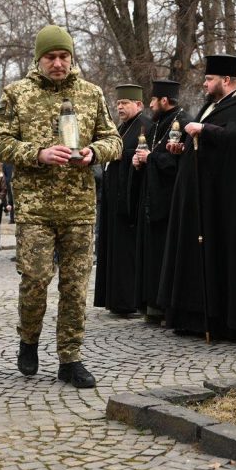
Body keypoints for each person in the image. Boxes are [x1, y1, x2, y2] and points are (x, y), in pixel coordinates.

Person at [0, 24, 122, 388]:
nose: (59, 63)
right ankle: (29, 339)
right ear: (39, 59)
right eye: (51, 57)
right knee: (35, 278)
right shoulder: (17, 94)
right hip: (35, 207)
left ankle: (70, 357)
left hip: (79, 206)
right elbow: (0, 143)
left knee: (76, 285)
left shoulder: (90, 94)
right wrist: (38, 153)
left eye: (64, 56)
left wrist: (95, 152)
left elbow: (114, 140)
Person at [158, 54, 236, 341]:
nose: (205, 84)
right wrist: (183, 147)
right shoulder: (210, 106)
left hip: (226, 202)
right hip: (197, 198)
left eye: (209, 79)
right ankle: (190, 317)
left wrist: (205, 129)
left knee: (223, 259)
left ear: (226, 80)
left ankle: (224, 323)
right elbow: (201, 141)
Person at [130, 79, 191, 325]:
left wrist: (151, 158)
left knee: (163, 256)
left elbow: (178, 163)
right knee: (150, 255)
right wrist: (140, 163)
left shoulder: (182, 123)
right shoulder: (156, 126)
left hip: (168, 203)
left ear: (164, 101)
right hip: (151, 199)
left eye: (153, 100)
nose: (150, 105)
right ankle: (151, 304)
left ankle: (165, 307)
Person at [93, 84, 150, 316]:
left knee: (127, 252)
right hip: (113, 197)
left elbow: (138, 156)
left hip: (130, 200)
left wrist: (119, 154)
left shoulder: (144, 126)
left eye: (125, 103)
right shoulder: (121, 127)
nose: (120, 108)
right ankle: (114, 300)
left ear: (138, 104)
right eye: (118, 104)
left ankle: (128, 301)